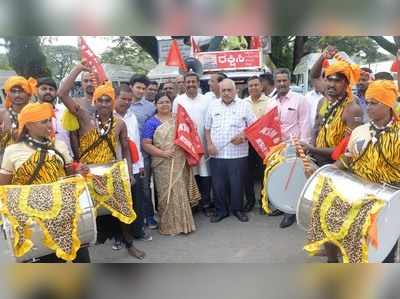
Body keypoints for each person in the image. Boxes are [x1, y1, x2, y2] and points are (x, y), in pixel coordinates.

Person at [58, 62, 145, 259]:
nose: (104, 103)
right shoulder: (85, 118)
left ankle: (128, 243)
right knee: (85, 213)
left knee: (122, 208)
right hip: (87, 173)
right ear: (95, 102)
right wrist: (79, 69)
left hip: (111, 171)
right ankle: (82, 247)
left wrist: (129, 173)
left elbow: (125, 150)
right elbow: (62, 93)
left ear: (113, 102)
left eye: (108, 100)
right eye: (100, 100)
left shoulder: (120, 123)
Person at [0, 102, 90, 262]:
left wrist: (79, 171)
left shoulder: (59, 145)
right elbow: (4, 188)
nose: (50, 124)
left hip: (64, 212)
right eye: (44, 121)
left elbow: (69, 177)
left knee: (76, 257)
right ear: (28, 125)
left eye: (50, 120)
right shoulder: (12, 151)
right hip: (33, 217)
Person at [321, 80, 400, 263]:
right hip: (360, 197)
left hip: (390, 201)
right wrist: (329, 172)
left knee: (382, 252)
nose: (368, 108)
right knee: (357, 249)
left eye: (374, 103)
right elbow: (347, 159)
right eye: (368, 102)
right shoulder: (360, 131)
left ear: (388, 104)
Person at [142, 92, 200, 235]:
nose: (164, 104)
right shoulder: (151, 122)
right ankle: (168, 226)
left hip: (179, 160)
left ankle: (184, 225)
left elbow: (189, 132)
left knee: (180, 190)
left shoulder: (178, 119)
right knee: (165, 194)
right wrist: (163, 153)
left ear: (171, 103)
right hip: (162, 163)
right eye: (161, 102)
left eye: (167, 102)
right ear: (155, 105)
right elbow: (145, 145)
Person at [205, 79, 256, 223]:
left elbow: (254, 127)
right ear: (219, 91)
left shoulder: (244, 105)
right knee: (218, 184)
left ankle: (238, 210)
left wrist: (244, 137)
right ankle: (221, 211)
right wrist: (209, 144)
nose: (226, 93)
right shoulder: (213, 106)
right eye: (223, 90)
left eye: (229, 90)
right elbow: (207, 128)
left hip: (238, 154)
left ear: (235, 91)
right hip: (217, 154)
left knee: (237, 184)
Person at [305, 46, 363, 167]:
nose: (331, 84)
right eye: (329, 79)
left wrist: (313, 149)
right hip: (317, 159)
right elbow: (314, 76)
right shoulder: (326, 97)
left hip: (336, 165)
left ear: (346, 83)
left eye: (337, 81)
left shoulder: (352, 109)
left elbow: (348, 149)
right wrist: (323, 57)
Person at [114, 84, 152, 247]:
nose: (126, 102)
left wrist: (141, 166)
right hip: (115, 167)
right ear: (115, 98)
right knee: (118, 204)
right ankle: (119, 238)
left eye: (129, 99)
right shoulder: (107, 117)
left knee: (137, 201)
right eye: (123, 98)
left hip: (134, 166)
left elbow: (135, 143)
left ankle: (138, 232)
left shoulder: (132, 117)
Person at [273, 68, 311, 228]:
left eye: (284, 80)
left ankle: (290, 212)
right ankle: (281, 205)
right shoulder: (271, 101)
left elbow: (305, 123)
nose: (281, 83)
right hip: (275, 148)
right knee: (279, 178)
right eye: (279, 81)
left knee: (292, 179)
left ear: (289, 81)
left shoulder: (299, 99)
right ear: (275, 83)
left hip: (293, 147)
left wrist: (304, 144)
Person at [173, 72, 213, 217]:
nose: (190, 84)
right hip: (187, 144)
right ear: (184, 83)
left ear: (198, 83)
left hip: (203, 142)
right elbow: (174, 122)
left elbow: (210, 121)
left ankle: (207, 203)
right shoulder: (178, 101)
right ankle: (194, 204)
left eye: (193, 82)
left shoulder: (206, 100)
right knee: (191, 173)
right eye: (188, 82)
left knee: (205, 173)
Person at [127, 74, 158, 229]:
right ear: (131, 87)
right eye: (138, 87)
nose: (140, 91)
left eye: (143, 88)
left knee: (145, 186)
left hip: (143, 155)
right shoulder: (122, 104)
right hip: (124, 156)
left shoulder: (150, 108)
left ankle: (149, 217)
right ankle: (133, 220)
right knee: (128, 188)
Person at [243, 76, 277, 213]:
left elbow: (271, 122)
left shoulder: (270, 102)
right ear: (248, 87)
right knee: (247, 174)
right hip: (247, 144)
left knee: (264, 174)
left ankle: (264, 201)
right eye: (250, 85)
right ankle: (250, 201)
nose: (253, 88)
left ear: (261, 86)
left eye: (256, 85)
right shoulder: (243, 103)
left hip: (264, 143)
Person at [0, 76, 35, 163]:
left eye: (21, 91)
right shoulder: (2, 114)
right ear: (7, 94)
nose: (17, 95)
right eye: (13, 91)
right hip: (6, 162)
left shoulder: (37, 113)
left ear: (28, 93)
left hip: (32, 162)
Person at [36, 77, 72, 155]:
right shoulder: (31, 112)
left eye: (51, 89)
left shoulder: (65, 110)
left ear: (56, 92)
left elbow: (73, 135)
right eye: (44, 89)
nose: (48, 91)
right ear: (37, 91)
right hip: (40, 159)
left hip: (67, 157)